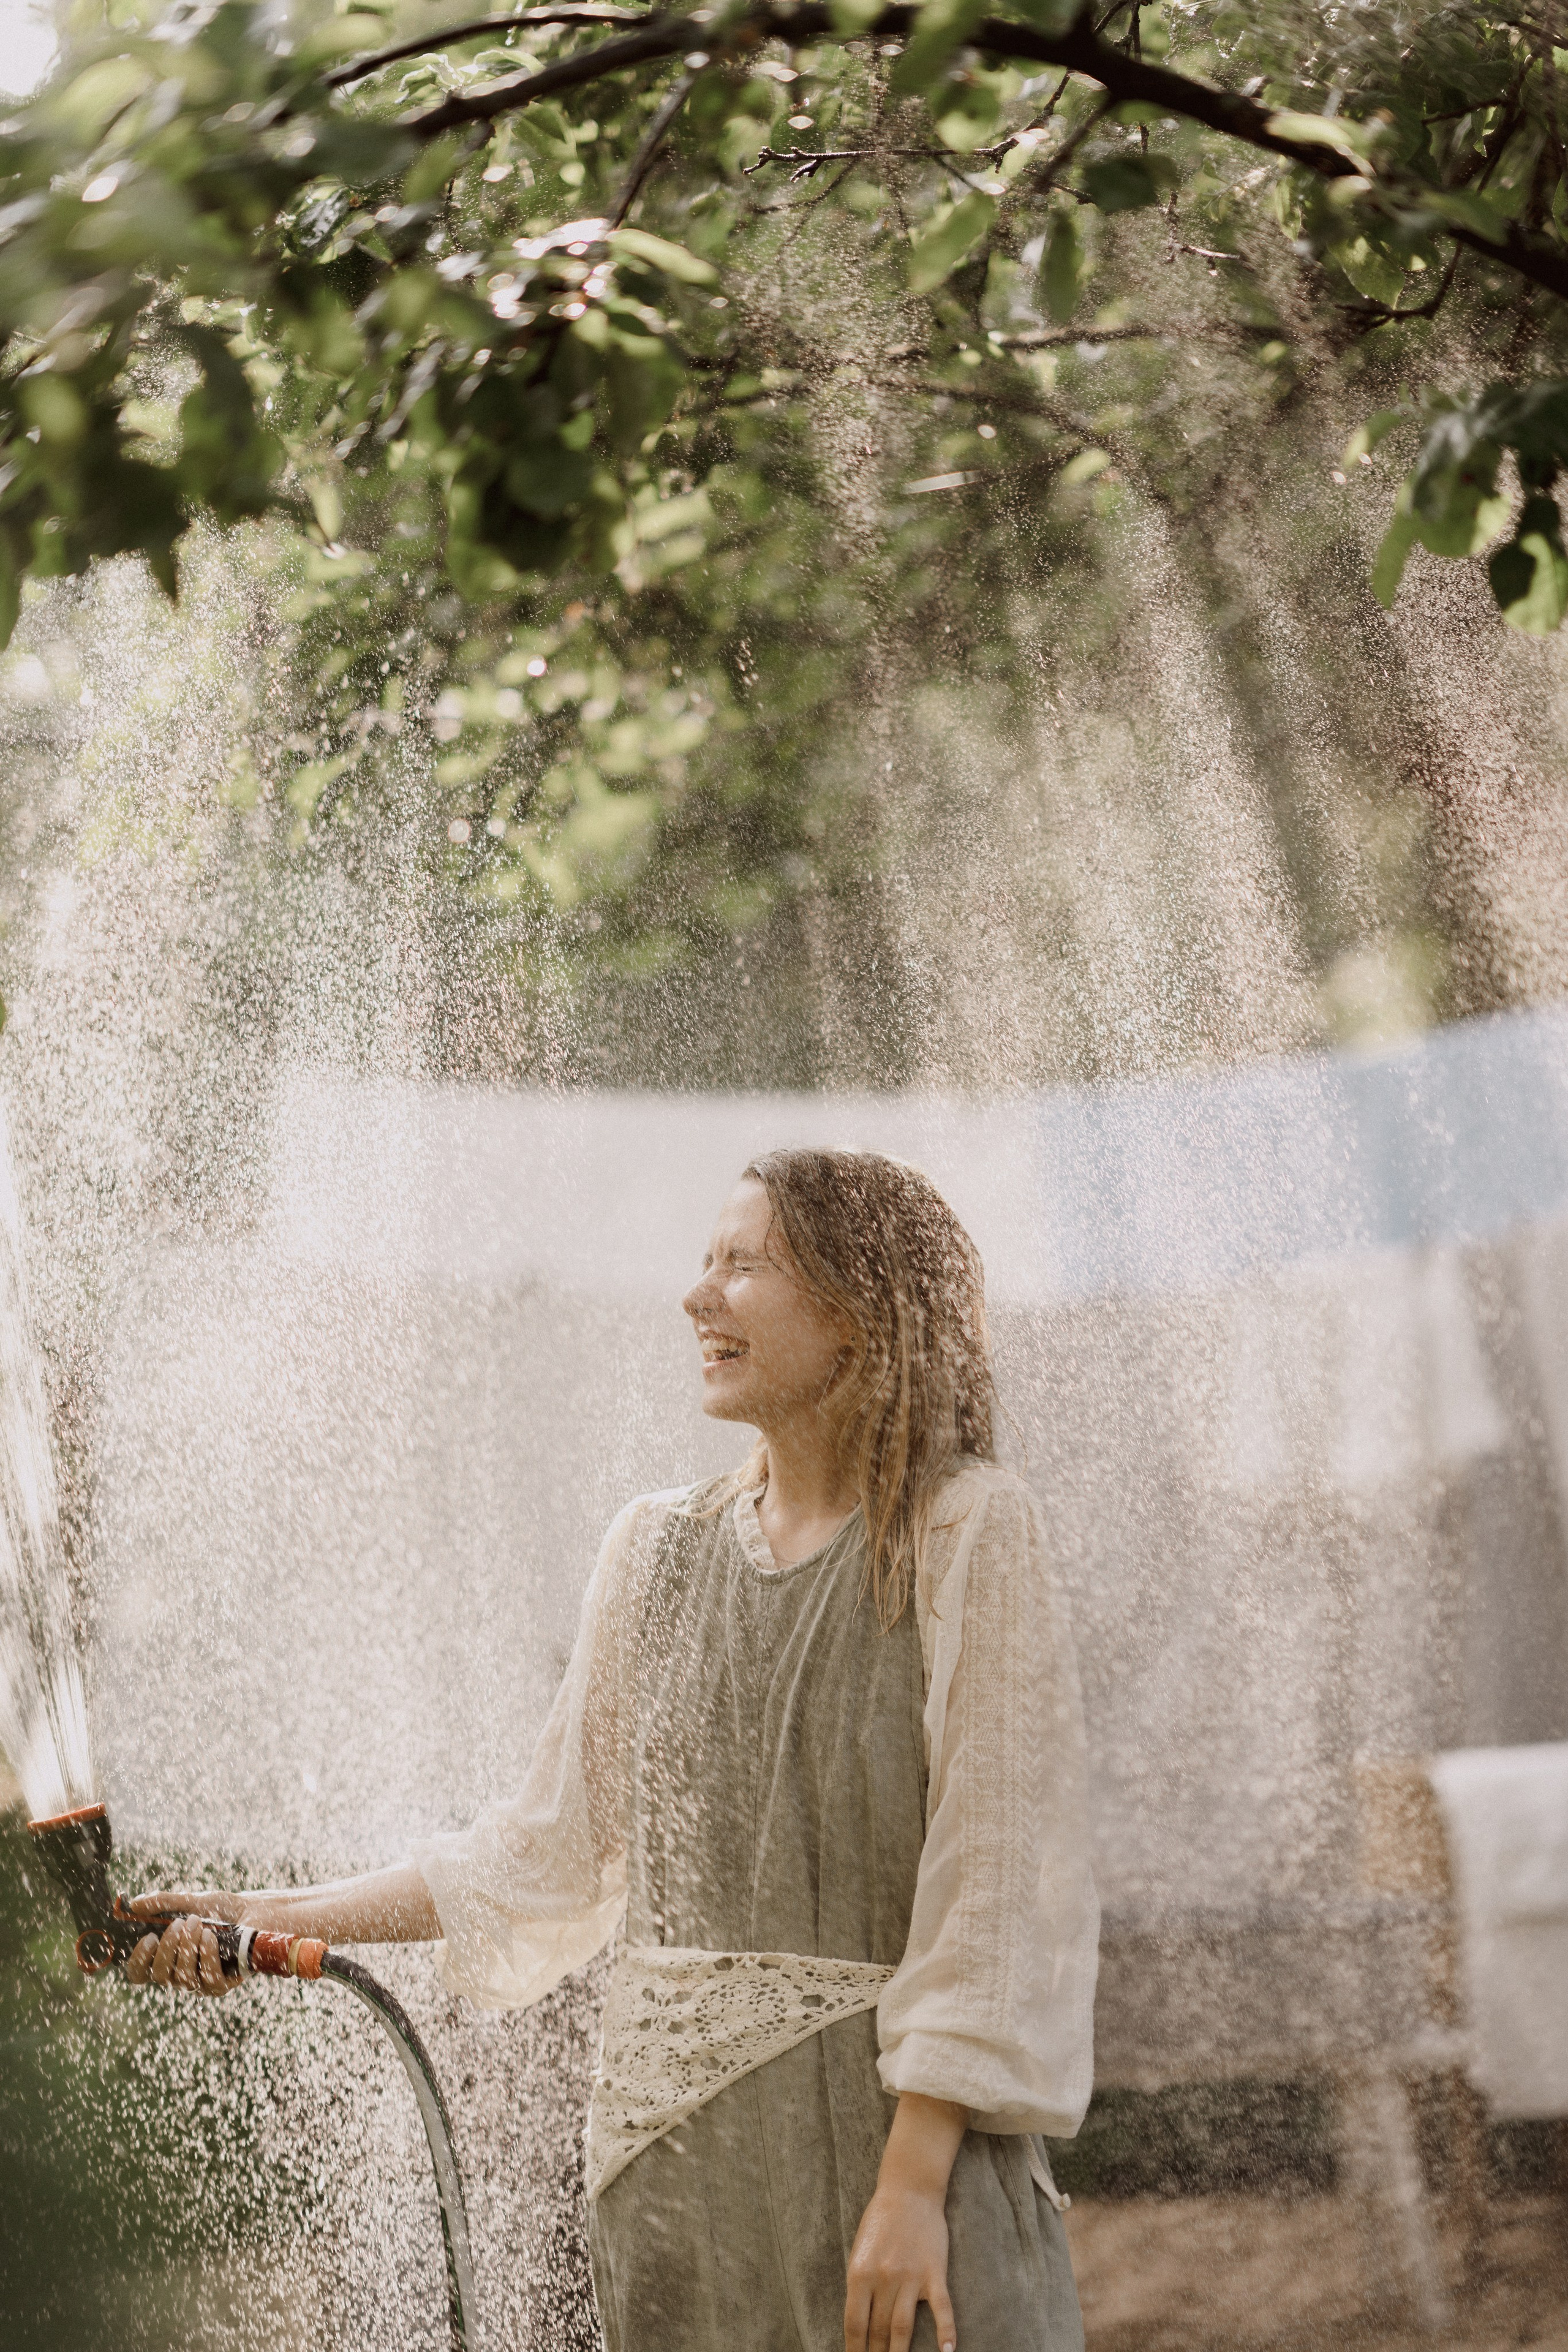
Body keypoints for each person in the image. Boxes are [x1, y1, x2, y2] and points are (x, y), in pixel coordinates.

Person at [130, 1148, 1099, 2352]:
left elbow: (995, 1887)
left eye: (744, 1267)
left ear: (860, 1308)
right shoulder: (649, 1550)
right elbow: (538, 1856)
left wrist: (909, 2190)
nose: (698, 1298)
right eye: (704, 1265)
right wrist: (249, 1910)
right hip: (675, 2181)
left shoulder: (964, 1531)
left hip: (896, 2178)